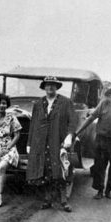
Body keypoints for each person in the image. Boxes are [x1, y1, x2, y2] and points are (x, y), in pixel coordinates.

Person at [26, 76, 77, 212]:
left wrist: (69, 136)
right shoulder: (38, 104)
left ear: (57, 87)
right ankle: (47, 199)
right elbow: (33, 124)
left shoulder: (66, 102)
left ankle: (64, 201)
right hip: (41, 142)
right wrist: (30, 142)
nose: (50, 87)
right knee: (45, 170)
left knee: (60, 169)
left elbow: (72, 121)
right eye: (48, 85)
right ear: (44, 87)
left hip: (58, 140)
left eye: (53, 85)